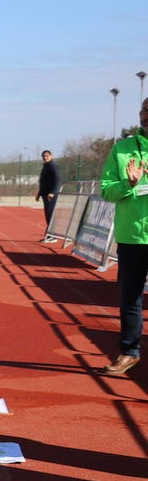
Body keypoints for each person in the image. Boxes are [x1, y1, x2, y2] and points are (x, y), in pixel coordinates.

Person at [99, 97, 148, 376]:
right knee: (130, 298)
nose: (147, 115)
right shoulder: (123, 149)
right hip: (131, 236)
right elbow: (106, 190)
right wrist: (129, 184)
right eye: (145, 110)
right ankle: (129, 352)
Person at [37, 149, 61, 229]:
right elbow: (43, 181)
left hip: (50, 195)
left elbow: (57, 179)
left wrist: (53, 192)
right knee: (47, 214)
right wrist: (39, 193)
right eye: (44, 156)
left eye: (47, 156)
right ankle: (50, 234)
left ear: (51, 156)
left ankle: (52, 234)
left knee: (50, 214)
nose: (45, 157)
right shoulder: (46, 166)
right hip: (45, 194)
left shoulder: (53, 166)